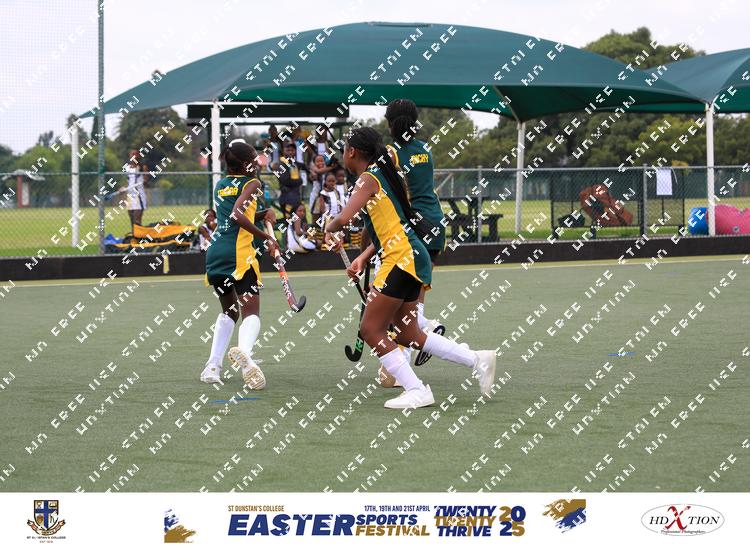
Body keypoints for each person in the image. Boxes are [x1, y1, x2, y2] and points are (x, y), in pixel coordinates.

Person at [324, 127, 496, 409]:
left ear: (352, 152)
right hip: (411, 256)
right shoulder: (382, 176)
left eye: (344, 149)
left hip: (400, 259)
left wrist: (327, 227)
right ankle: (478, 359)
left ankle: (416, 389)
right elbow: (389, 226)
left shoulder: (367, 179)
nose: (343, 154)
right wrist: (364, 257)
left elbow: (343, 219)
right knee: (408, 334)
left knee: (371, 329)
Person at [201, 139, 279, 388]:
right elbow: (237, 214)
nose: (259, 162)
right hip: (238, 255)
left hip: (216, 253)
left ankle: (212, 367)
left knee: (229, 312)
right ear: (246, 164)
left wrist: (262, 214)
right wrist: (266, 236)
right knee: (251, 313)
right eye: (255, 159)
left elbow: (230, 215)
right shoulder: (252, 183)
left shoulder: (221, 184)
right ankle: (245, 354)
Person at [384, 99, 447, 361]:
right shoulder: (425, 149)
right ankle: (421, 338)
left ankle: (427, 332)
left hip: (414, 226)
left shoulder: (392, 152)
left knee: (397, 300)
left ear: (391, 123)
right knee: (415, 295)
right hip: (435, 223)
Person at [273, 142, 307, 221]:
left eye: (292, 150)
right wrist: (300, 181)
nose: (290, 152)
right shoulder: (281, 164)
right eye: (288, 150)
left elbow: (306, 168)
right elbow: (285, 181)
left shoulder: (295, 164)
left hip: (296, 198)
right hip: (287, 198)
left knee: (301, 221)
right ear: (284, 151)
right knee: (289, 221)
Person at [124, 149, 149, 229]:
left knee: (137, 220)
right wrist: (123, 188)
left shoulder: (142, 167)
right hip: (130, 196)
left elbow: (146, 181)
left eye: (135, 154)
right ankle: (134, 235)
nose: (133, 156)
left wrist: (143, 181)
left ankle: (138, 235)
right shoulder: (127, 168)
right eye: (132, 154)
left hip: (139, 196)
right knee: (132, 219)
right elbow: (127, 182)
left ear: (139, 156)